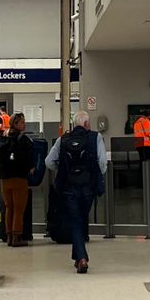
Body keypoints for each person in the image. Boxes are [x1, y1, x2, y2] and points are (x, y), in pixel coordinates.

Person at [45, 110, 107, 273]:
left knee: (75, 220)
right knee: (80, 219)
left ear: (74, 124)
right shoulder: (96, 137)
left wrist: (64, 170)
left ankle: (80, 258)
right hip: (88, 187)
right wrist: (96, 175)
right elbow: (101, 162)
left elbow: (49, 162)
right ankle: (82, 258)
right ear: (86, 124)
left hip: (68, 187)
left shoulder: (63, 139)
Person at [0, 113, 36, 247]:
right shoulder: (24, 140)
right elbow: (29, 160)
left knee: (9, 207)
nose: (24, 125)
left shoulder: (4, 138)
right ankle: (17, 237)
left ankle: (8, 236)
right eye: (21, 122)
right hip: (19, 178)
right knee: (19, 209)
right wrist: (31, 167)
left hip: (4, 178)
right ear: (15, 124)